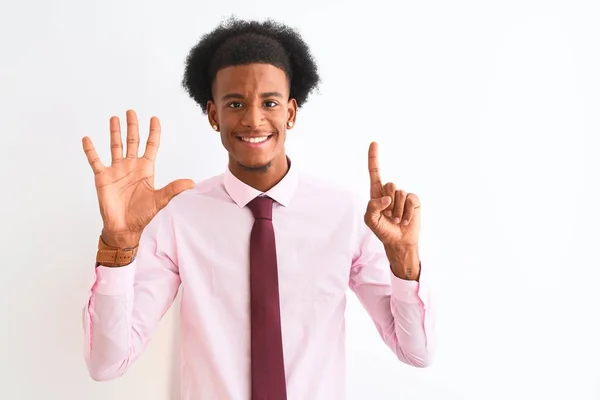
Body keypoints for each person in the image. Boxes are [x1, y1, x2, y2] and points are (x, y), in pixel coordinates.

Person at [81, 16, 434, 400]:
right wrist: (117, 247)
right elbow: (107, 364)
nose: (252, 119)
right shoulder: (179, 218)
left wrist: (404, 258)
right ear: (214, 114)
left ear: (291, 113)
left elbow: (416, 352)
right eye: (235, 103)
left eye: (270, 102)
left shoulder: (345, 215)